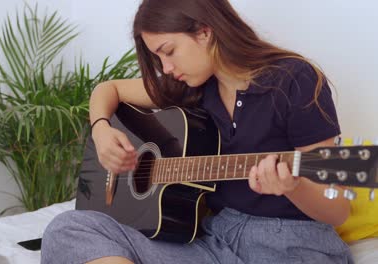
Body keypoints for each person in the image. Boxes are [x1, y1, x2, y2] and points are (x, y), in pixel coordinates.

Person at [41, 0, 354, 263]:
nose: (165, 67)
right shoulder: (194, 88)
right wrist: (101, 129)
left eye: (168, 51)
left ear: (205, 32)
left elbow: (338, 210)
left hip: (291, 246)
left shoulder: (295, 79)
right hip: (216, 244)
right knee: (68, 228)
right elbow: (107, 90)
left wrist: (292, 187)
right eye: (157, 57)